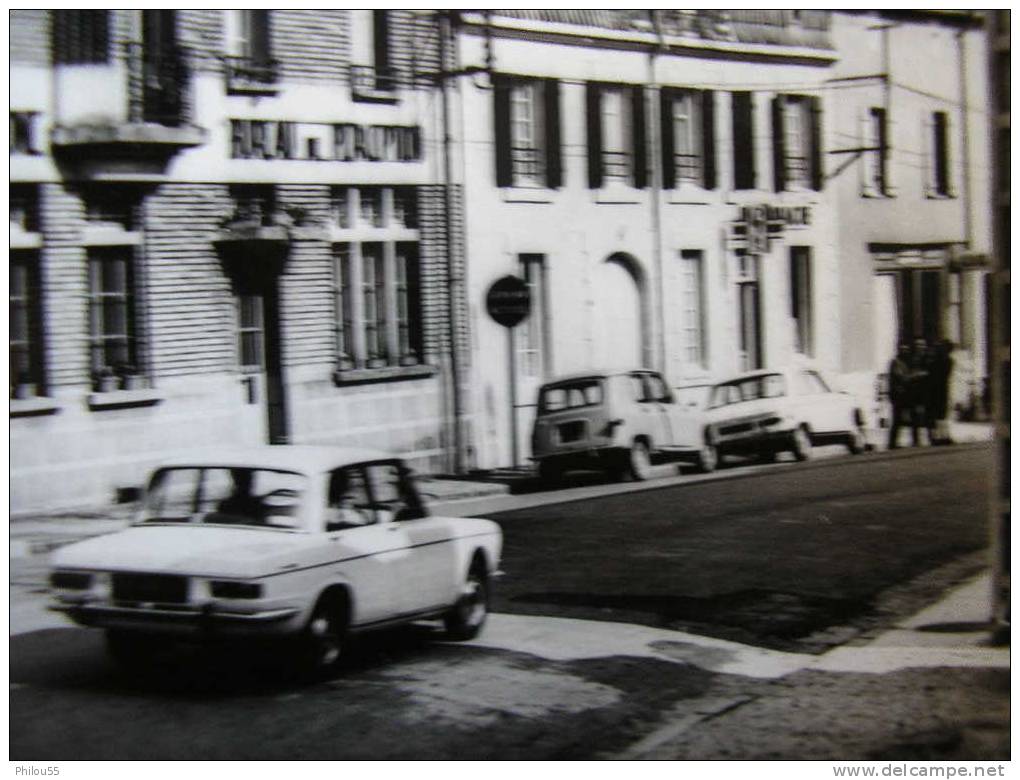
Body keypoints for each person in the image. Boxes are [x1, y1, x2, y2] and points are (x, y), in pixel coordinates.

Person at [887, 342, 920, 449]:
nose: (904, 351)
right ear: (898, 350)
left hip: (907, 394)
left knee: (913, 417)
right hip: (899, 395)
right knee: (897, 419)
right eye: (902, 349)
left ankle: (915, 440)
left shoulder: (908, 362)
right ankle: (892, 443)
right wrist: (915, 375)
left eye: (906, 349)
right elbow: (902, 377)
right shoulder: (895, 362)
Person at [927, 339, 955, 445]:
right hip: (940, 390)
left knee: (940, 414)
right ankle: (942, 436)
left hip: (939, 389)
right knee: (940, 414)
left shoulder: (943, 361)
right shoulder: (946, 360)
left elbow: (934, 374)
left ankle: (941, 436)